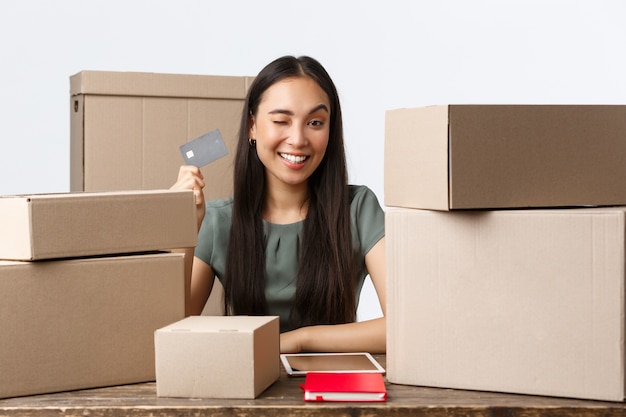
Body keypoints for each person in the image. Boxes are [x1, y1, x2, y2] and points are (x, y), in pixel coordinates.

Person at [171, 55, 386, 354]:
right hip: (244, 387)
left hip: (334, 388)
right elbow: (171, 331)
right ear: (252, 126)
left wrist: (298, 340)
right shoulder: (218, 221)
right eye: (281, 121)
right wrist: (180, 230)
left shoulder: (359, 209)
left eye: (315, 122)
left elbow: (407, 325)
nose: (297, 139)